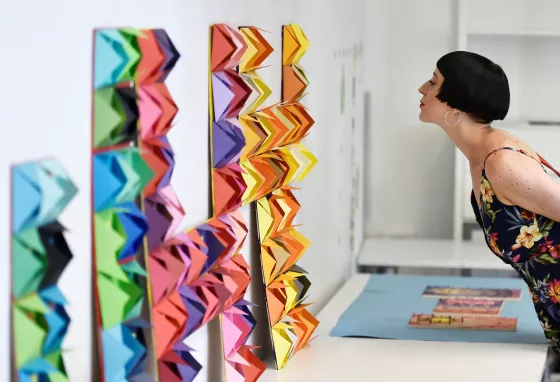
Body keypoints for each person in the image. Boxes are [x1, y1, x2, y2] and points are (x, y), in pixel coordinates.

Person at [417, 50, 560, 354]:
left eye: (433, 81)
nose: (422, 89)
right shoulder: (485, 154)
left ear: (456, 104)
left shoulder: (502, 164)